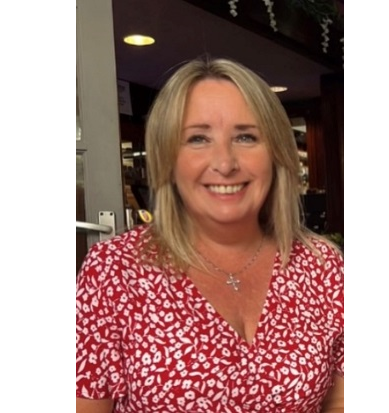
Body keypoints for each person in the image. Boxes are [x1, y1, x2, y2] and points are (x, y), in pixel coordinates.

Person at [76, 56, 344, 412]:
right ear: (167, 157)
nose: (225, 163)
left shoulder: (322, 267)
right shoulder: (114, 271)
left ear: (277, 153)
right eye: (198, 138)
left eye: (246, 137)